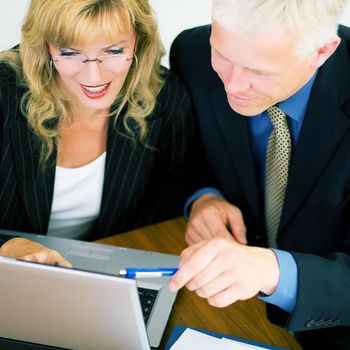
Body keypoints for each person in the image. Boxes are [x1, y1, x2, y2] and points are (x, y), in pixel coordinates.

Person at [168, 0, 350, 348]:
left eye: (260, 72)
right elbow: (187, 155)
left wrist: (274, 272)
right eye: (221, 55)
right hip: (228, 310)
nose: (233, 86)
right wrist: (204, 198)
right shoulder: (191, 53)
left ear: (322, 51)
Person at [0, 0, 194, 267]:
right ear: (46, 47)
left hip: (106, 274)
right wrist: (7, 247)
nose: (94, 76)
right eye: (69, 53)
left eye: (114, 51)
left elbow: (171, 203)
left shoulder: (166, 97)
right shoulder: (3, 95)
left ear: (138, 40)